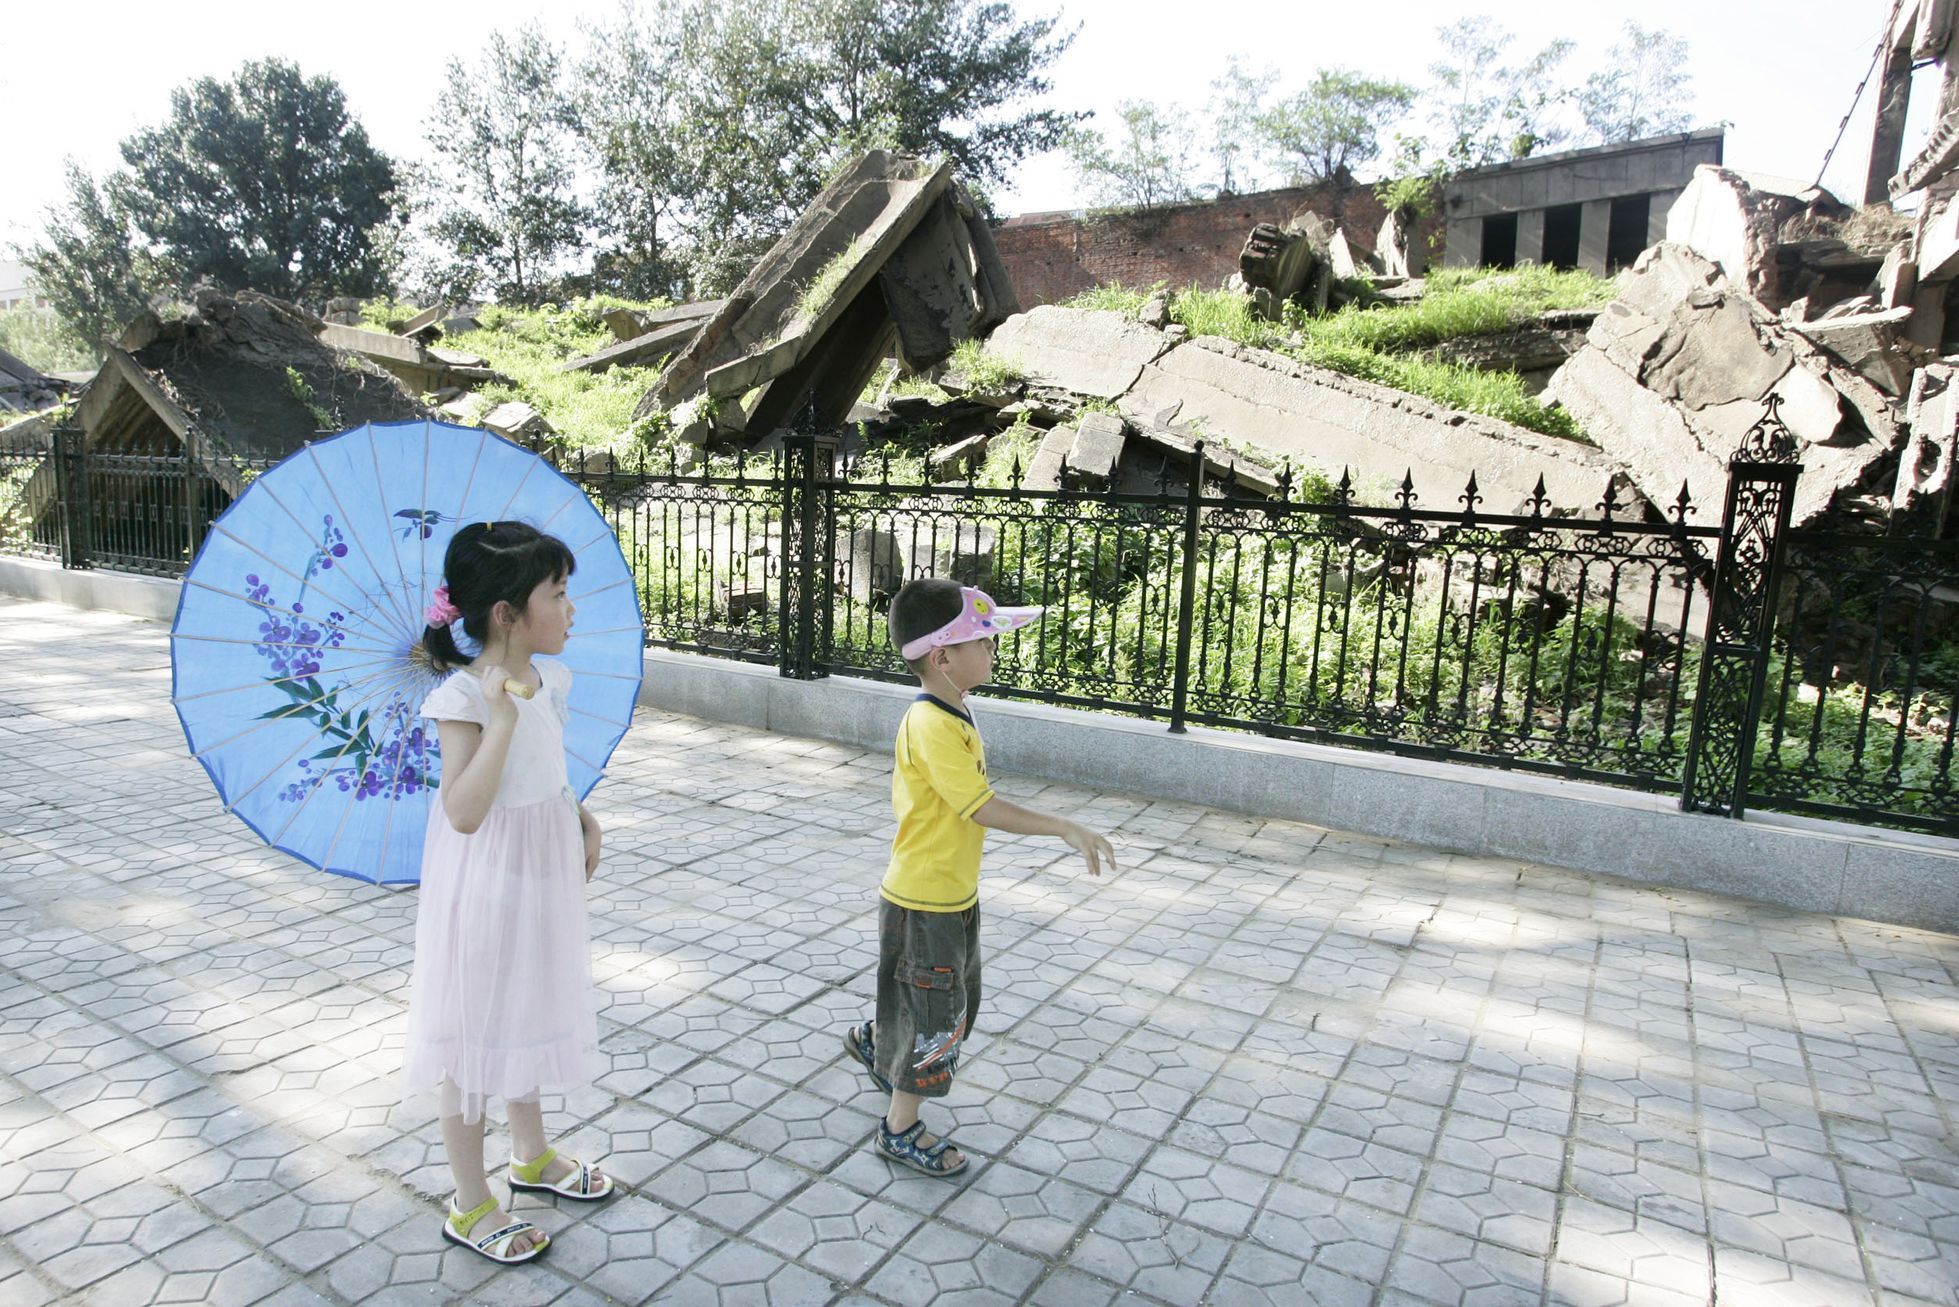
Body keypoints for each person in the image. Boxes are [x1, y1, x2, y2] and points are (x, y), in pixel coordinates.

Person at [842, 578, 1116, 1176]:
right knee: (939, 1018)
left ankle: (880, 1039)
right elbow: (980, 805)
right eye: (983, 642)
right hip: (927, 899)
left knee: (940, 997)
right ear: (943, 658)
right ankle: (901, 1127)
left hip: (943, 893)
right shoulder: (933, 724)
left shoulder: (952, 706)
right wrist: (1063, 827)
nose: (993, 651)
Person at [402, 521, 613, 1265]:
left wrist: (582, 817)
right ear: (506, 614)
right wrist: (498, 716)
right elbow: (463, 810)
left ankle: (530, 1155)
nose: (570, 607)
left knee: (524, 1006)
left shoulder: (550, 678)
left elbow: (547, 771)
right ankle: (470, 1200)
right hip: (485, 883)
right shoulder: (463, 696)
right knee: (471, 1034)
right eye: (557, 593)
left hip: (541, 870)